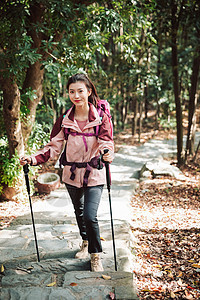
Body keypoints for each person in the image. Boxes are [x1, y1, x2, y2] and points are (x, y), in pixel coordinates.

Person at [20, 73, 114, 272]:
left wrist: (107, 153)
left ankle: (95, 255)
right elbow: (53, 146)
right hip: (71, 174)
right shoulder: (64, 119)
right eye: (72, 91)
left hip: (94, 173)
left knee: (90, 215)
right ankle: (86, 241)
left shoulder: (100, 118)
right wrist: (33, 158)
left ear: (89, 92)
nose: (76, 95)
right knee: (79, 212)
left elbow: (107, 142)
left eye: (80, 91)